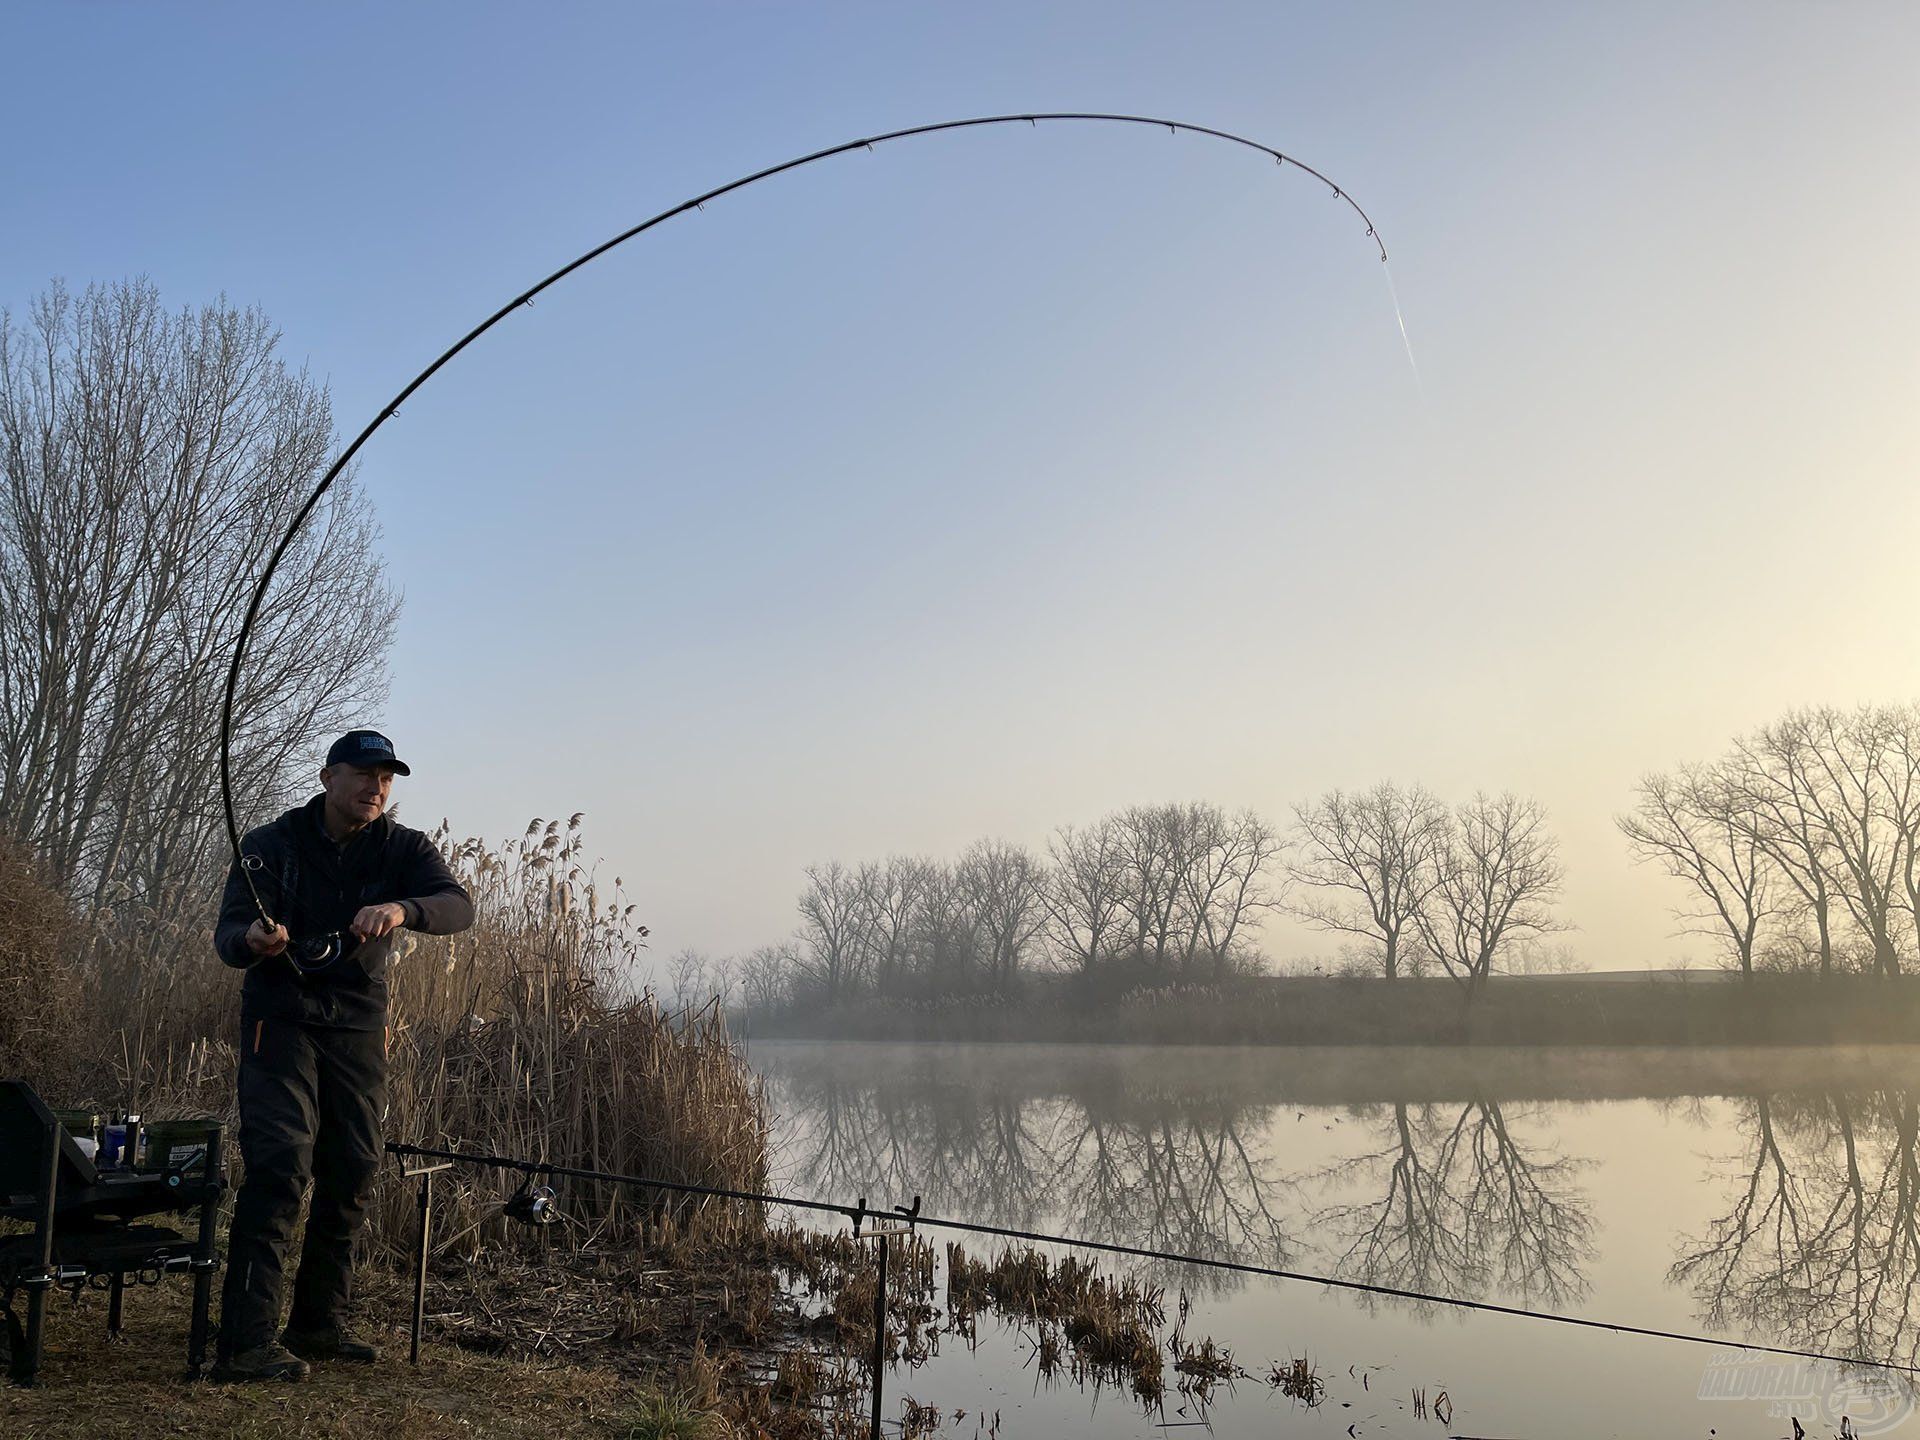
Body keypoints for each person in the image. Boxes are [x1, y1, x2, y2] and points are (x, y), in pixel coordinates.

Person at [210, 729, 473, 1382]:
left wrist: (401, 909)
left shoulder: (403, 848)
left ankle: (317, 1323)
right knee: (280, 1167)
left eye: (386, 778)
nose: (375, 788)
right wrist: (254, 939)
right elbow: (226, 936)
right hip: (280, 1022)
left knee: (354, 1167)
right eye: (362, 773)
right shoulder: (270, 844)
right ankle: (245, 1345)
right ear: (328, 777)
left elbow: (458, 906)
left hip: (357, 1025)